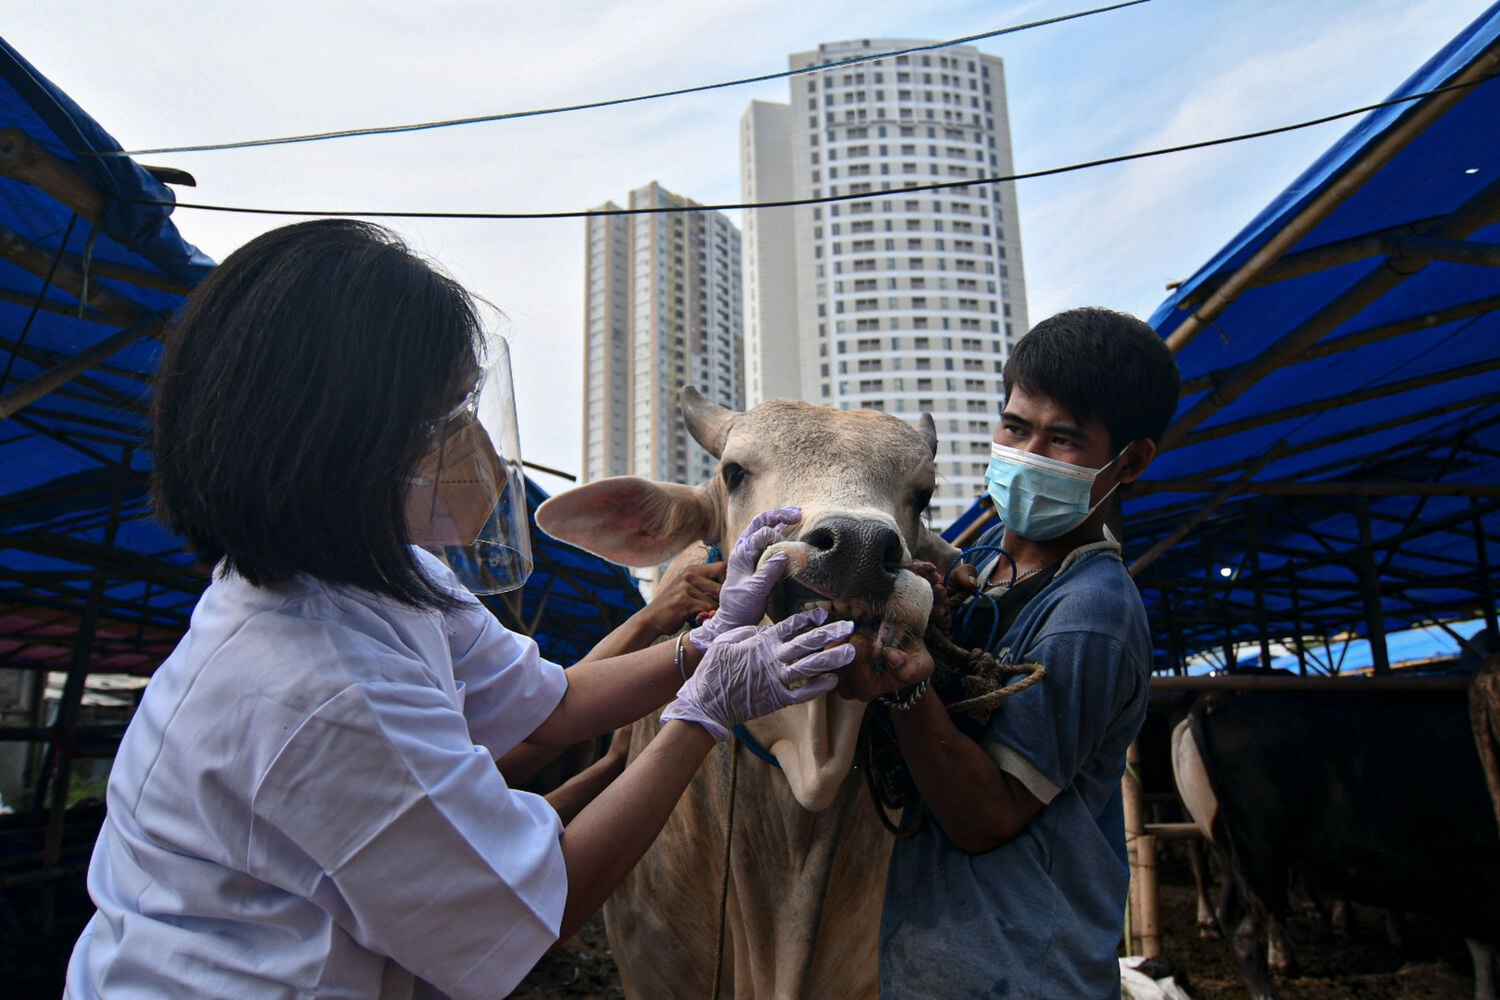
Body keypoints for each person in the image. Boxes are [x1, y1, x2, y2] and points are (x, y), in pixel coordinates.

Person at [64, 219, 857, 999]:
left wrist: (703, 643)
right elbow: (539, 906)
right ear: (339, 442)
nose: (468, 440)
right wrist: (704, 714)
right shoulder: (317, 693)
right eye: (439, 415)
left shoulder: (385, 581)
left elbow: (553, 706)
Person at [876, 307, 1181, 999]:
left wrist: (908, 685)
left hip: (1021, 973)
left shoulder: (1089, 616)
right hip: (934, 960)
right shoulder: (980, 577)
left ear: (1129, 461)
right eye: (1016, 427)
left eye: (1064, 439)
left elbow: (987, 818)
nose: (1028, 454)